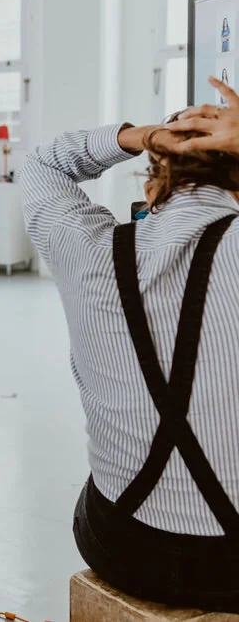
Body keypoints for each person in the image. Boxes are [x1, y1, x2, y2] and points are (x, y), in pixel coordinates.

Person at [20, 76, 239, 612]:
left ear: (151, 185)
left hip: (121, 542)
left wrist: (140, 136)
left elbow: (41, 164)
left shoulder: (87, 249)